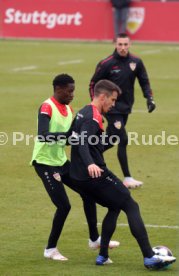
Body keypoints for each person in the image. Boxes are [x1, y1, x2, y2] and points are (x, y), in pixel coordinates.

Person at [69, 79, 176, 268]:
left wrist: (113, 138)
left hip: (80, 178)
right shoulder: (93, 118)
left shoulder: (82, 113)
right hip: (95, 176)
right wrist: (90, 164)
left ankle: (102, 256)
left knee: (114, 206)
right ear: (102, 97)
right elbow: (83, 143)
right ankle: (149, 256)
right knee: (130, 204)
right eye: (112, 99)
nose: (113, 104)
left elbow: (83, 142)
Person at [30, 74, 119, 261]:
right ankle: (50, 249)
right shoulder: (47, 107)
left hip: (61, 162)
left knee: (88, 192)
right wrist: (71, 137)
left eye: (73, 91)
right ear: (57, 89)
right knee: (64, 206)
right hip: (45, 163)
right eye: (69, 91)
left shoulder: (70, 109)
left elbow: (73, 136)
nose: (72, 94)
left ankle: (94, 239)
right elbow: (43, 135)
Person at [89, 33, 156, 189]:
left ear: (130, 44)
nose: (123, 47)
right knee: (123, 139)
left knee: (111, 140)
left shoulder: (136, 62)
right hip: (111, 108)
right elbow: (93, 84)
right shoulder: (107, 63)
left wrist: (149, 99)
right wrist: (96, 106)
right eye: (120, 44)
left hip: (126, 108)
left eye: (126, 44)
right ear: (115, 44)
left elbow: (144, 81)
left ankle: (87, 157)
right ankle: (127, 178)